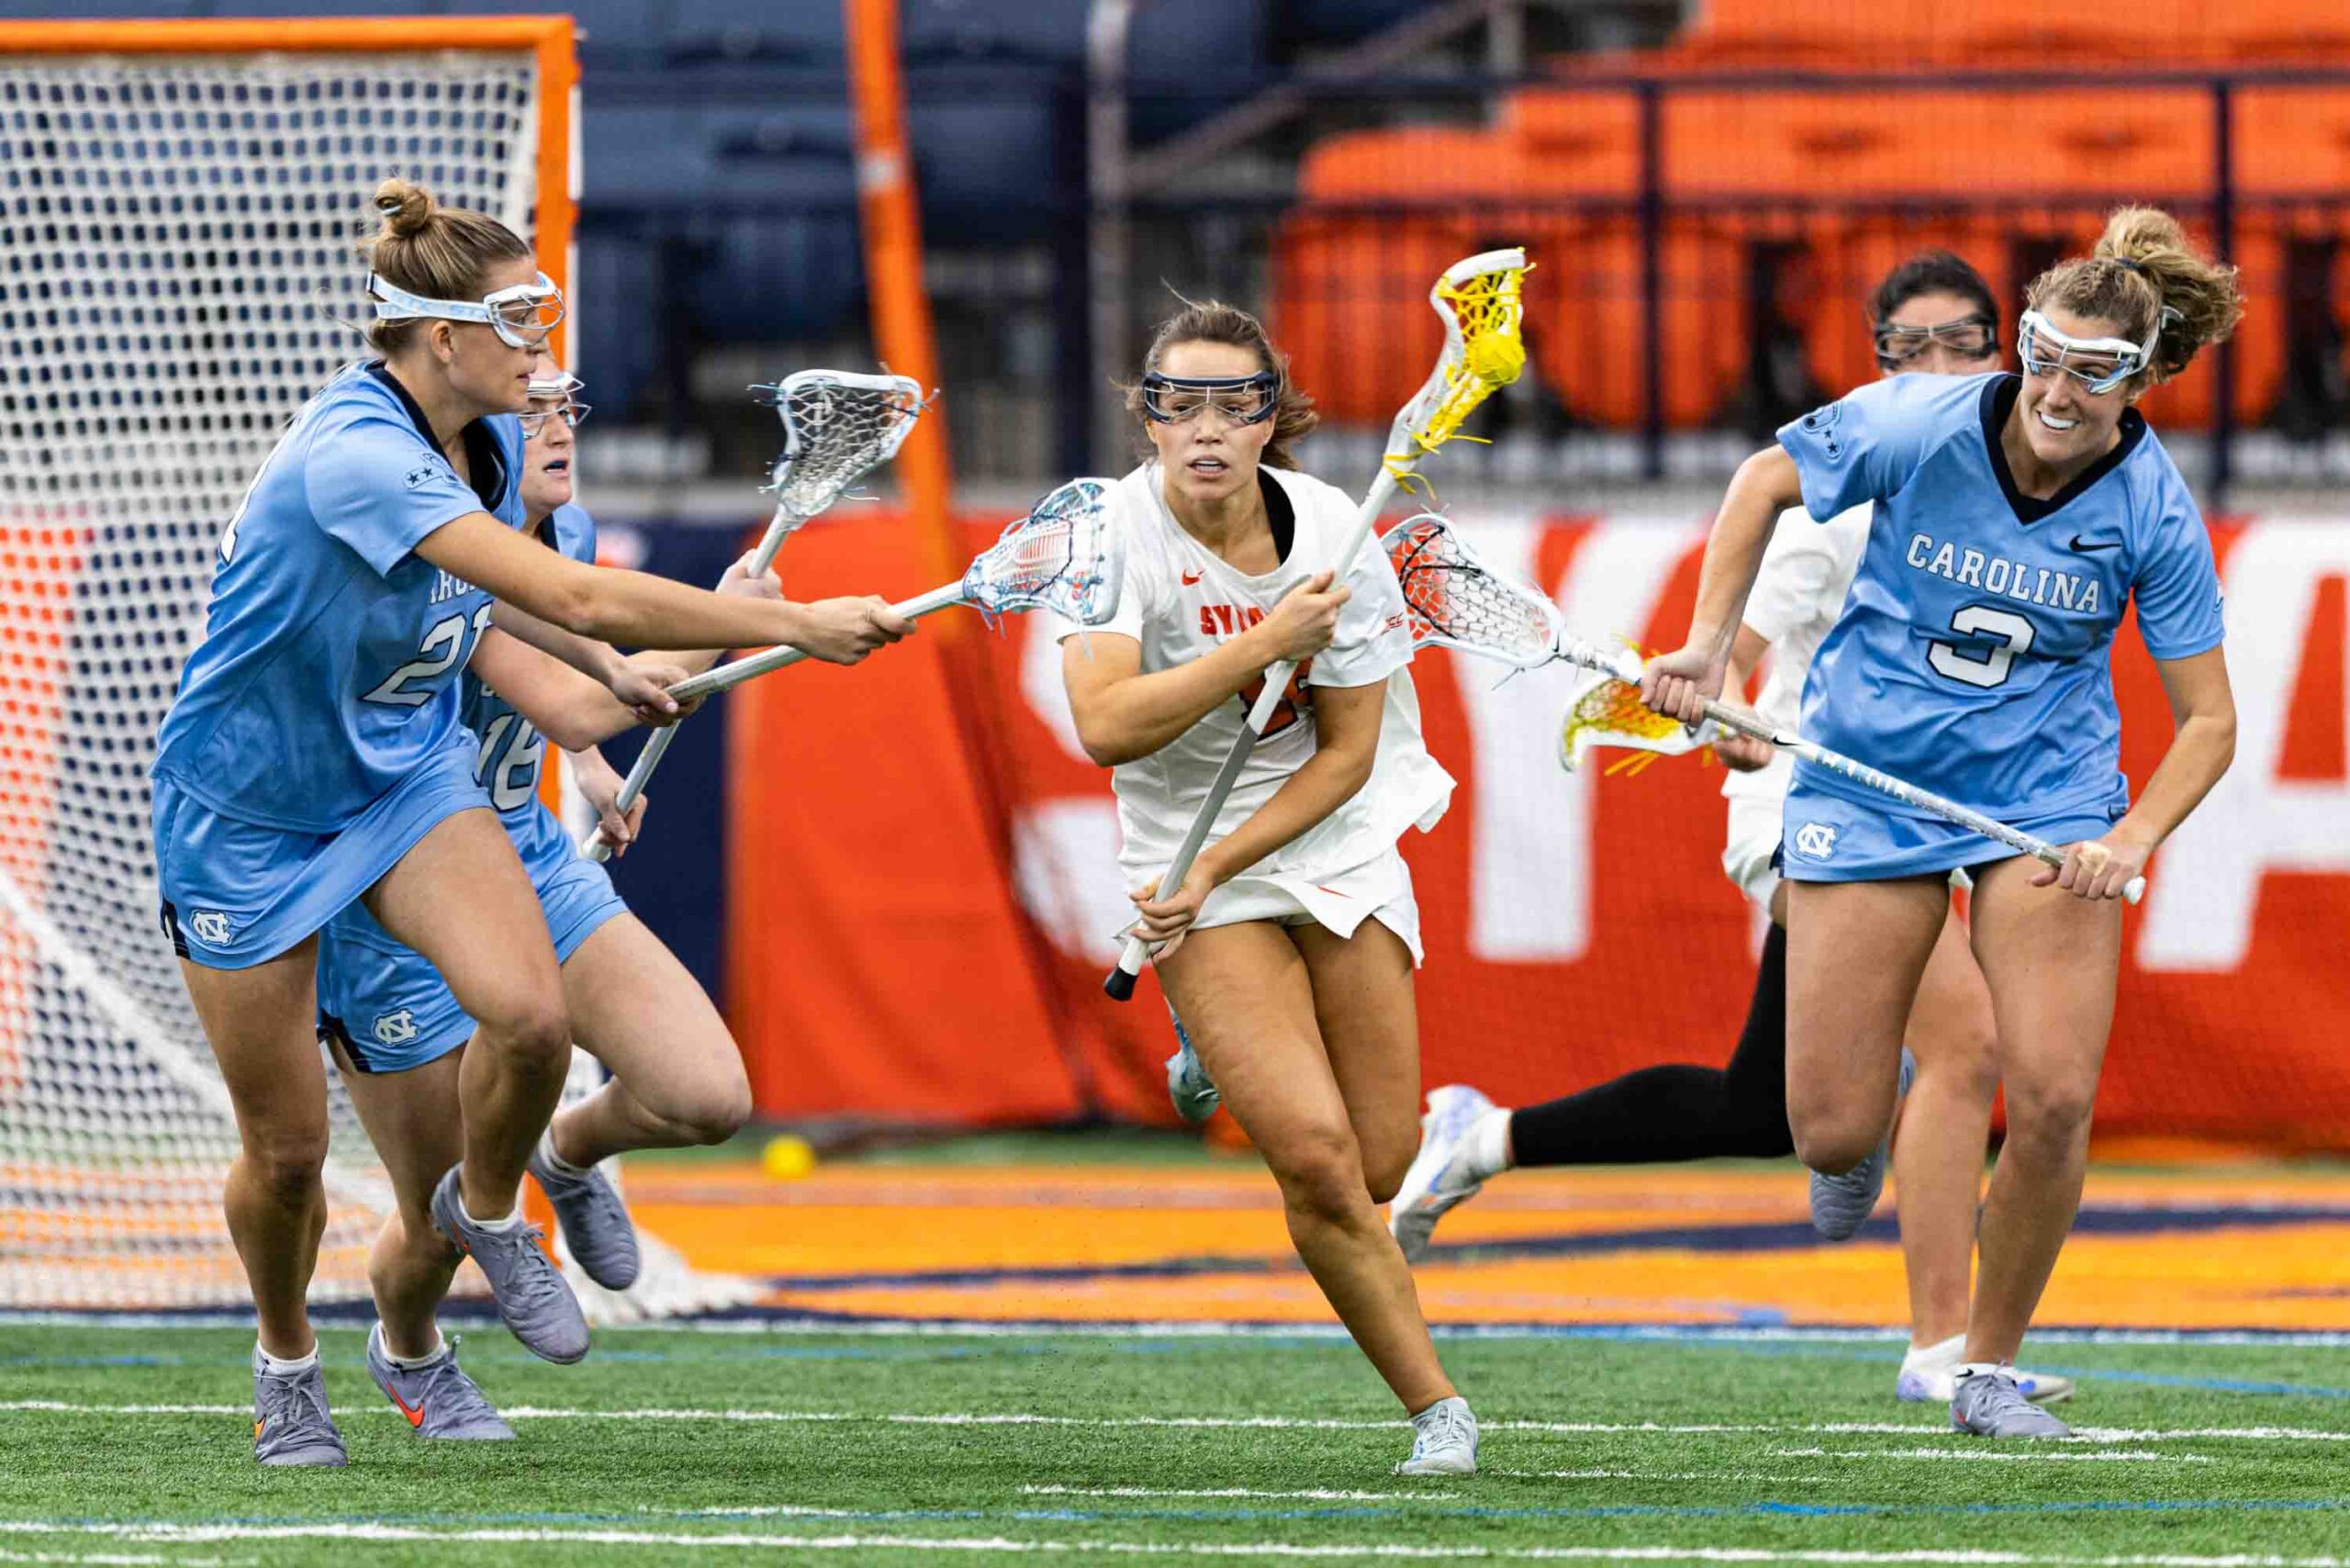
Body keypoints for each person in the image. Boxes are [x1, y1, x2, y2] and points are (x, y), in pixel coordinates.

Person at [151, 177, 912, 1467]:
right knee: (285, 1155)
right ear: (438, 336)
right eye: (518, 324)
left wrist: (599, 677)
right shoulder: (355, 451)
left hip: (402, 777)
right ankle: (286, 1363)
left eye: (544, 319)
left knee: (534, 1020)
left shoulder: (489, 447)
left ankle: (493, 1208)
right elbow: (572, 591)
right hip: (248, 817)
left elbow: (511, 603)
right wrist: (789, 622)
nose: (543, 353)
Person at [1386, 252, 2069, 1406]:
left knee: (1757, 1107)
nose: (1936, 366)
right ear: (1876, 363)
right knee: (1967, 1041)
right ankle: (1942, 1349)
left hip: (1930, 822)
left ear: (1999, 352)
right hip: (1813, 810)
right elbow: (1738, 653)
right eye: (1908, 348)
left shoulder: (2023, 487)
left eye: (1959, 342)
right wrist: (1726, 703)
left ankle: (1483, 1136)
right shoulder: (1845, 493)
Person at [1641, 208, 2240, 1438]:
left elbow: (2211, 721)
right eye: (2045, 357)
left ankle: (1984, 1368)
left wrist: (2130, 840)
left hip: (2040, 801)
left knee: (2055, 1096)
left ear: (2142, 380)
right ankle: (1864, 1110)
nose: (2058, 392)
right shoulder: (1924, 418)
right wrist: (1706, 646)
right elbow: (1763, 481)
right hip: (1869, 775)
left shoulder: (2152, 508)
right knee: (1829, 1130)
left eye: (2094, 371)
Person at [1053, 298, 1475, 1475]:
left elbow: (1346, 754)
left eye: (1232, 404)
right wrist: (1257, 644)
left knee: (1379, 1159)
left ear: (1268, 419)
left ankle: (1209, 1035)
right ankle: (1438, 1409)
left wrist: (1220, 861)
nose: (1204, 428)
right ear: (1146, 418)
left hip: (1326, 838)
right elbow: (1103, 726)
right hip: (1185, 858)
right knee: (1318, 1163)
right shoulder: (1108, 536)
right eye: (1176, 402)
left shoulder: (1337, 531)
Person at [313, 365, 770, 1439]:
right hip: (391, 884)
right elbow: (569, 693)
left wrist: (594, 776)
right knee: (443, 1216)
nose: (560, 427)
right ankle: (409, 1347)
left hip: (523, 854)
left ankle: (561, 1152)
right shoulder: (433, 552)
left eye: (570, 404)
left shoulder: (568, 532)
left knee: (704, 1094)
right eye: (532, 410)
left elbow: (548, 709)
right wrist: (736, 621)